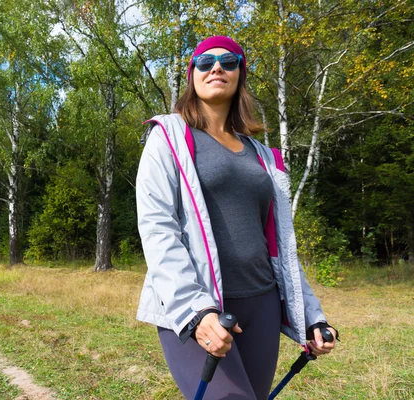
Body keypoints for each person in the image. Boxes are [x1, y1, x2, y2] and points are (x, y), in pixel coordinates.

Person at [135, 36, 338, 400]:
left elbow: (281, 244)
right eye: (204, 61)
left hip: (261, 304)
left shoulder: (262, 154)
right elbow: (157, 227)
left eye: (228, 61)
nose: (216, 67)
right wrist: (196, 312)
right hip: (200, 304)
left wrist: (313, 317)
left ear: (240, 74)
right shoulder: (168, 137)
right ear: (192, 74)